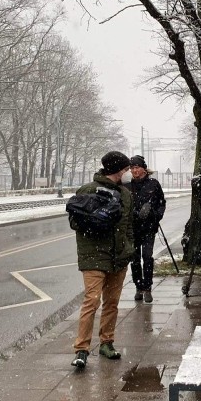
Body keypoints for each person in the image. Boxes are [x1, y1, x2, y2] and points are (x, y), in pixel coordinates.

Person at [71, 150, 135, 369]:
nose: (129, 173)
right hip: (94, 255)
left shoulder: (125, 194)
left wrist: (129, 247)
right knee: (92, 301)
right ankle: (82, 349)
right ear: (118, 170)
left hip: (119, 256)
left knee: (112, 303)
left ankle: (107, 342)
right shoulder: (88, 190)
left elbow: (128, 225)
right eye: (126, 169)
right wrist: (97, 218)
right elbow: (75, 223)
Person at [125, 154, 166, 304]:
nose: (134, 171)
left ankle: (148, 287)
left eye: (137, 167)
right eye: (132, 168)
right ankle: (138, 287)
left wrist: (155, 215)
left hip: (149, 228)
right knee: (134, 260)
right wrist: (135, 213)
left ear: (144, 169)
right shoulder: (127, 186)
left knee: (147, 257)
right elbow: (123, 207)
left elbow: (161, 203)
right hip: (132, 229)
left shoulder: (153, 184)